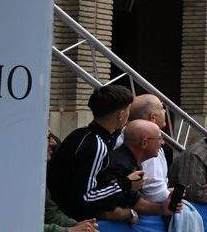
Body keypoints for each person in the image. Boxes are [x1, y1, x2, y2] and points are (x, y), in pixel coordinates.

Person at [49, 84, 140, 222]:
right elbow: (85, 197)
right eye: (128, 111)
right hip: (68, 216)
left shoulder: (80, 134)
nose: (128, 116)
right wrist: (126, 184)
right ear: (121, 115)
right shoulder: (96, 144)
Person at [102, 120, 180, 218]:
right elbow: (132, 203)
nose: (163, 143)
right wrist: (160, 209)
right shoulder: (123, 166)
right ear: (144, 143)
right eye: (159, 138)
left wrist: (162, 208)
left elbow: (134, 200)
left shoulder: (130, 161)